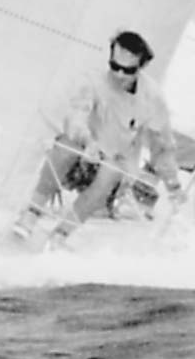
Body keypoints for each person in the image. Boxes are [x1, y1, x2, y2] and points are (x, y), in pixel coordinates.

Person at [13, 30, 184, 245]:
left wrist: (173, 186)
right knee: (66, 146)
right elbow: (75, 117)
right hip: (83, 156)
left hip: (113, 171)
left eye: (128, 70)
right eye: (115, 66)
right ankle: (31, 213)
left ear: (141, 67)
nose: (119, 74)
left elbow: (162, 147)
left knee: (111, 170)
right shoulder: (92, 81)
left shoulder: (152, 98)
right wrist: (88, 142)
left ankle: (61, 234)